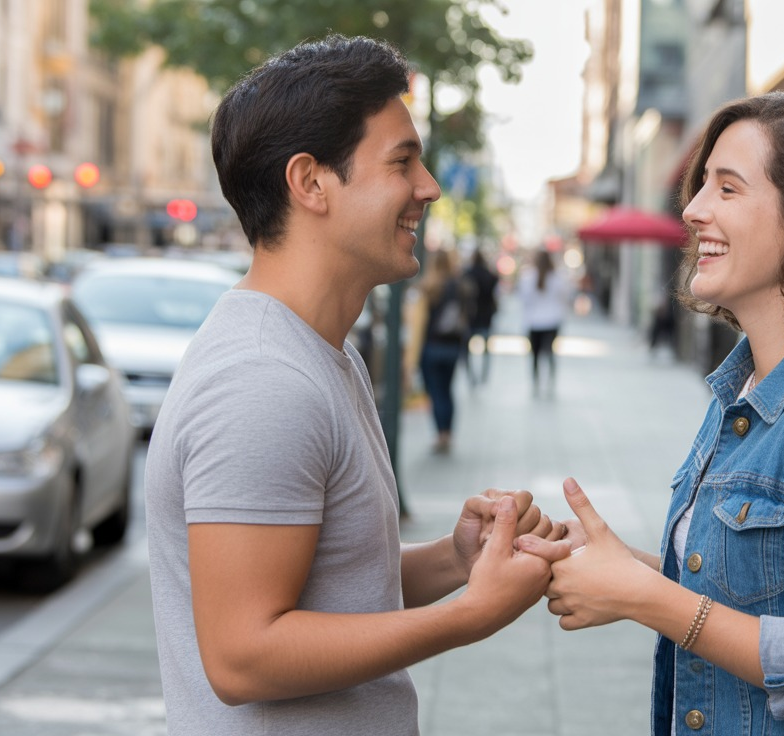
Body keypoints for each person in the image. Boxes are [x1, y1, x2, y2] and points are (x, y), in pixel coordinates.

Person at [144, 35, 564, 735]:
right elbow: (243, 657)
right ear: (310, 182)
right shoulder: (264, 381)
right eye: (402, 162)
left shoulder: (316, 353)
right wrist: (469, 616)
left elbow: (328, 587)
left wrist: (454, 560)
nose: (428, 187)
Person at [518, 92, 784, 735]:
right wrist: (622, 568)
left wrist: (647, 598)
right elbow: (754, 595)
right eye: (702, 186)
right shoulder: (752, 387)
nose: (693, 210)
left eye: (727, 188)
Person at [405, 248, 471, 454]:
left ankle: (441, 434)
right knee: (447, 391)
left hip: (431, 347)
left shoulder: (428, 287)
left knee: (436, 393)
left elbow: (419, 324)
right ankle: (448, 433)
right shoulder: (460, 286)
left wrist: (411, 357)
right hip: (452, 347)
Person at [516, 249, 571, 395]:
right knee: (550, 352)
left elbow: (523, 299)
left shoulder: (528, 277)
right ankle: (550, 381)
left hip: (534, 321)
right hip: (552, 320)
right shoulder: (557, 277)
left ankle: (536, 382)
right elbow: (564, 297)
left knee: (535, 355)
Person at [463, 248, 500, 384]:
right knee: (486, 349)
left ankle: (471, 376)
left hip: (471, 317)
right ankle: (484, 375)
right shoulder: (488, 275)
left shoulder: (468, 274)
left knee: (466, 350)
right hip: (486, 316)